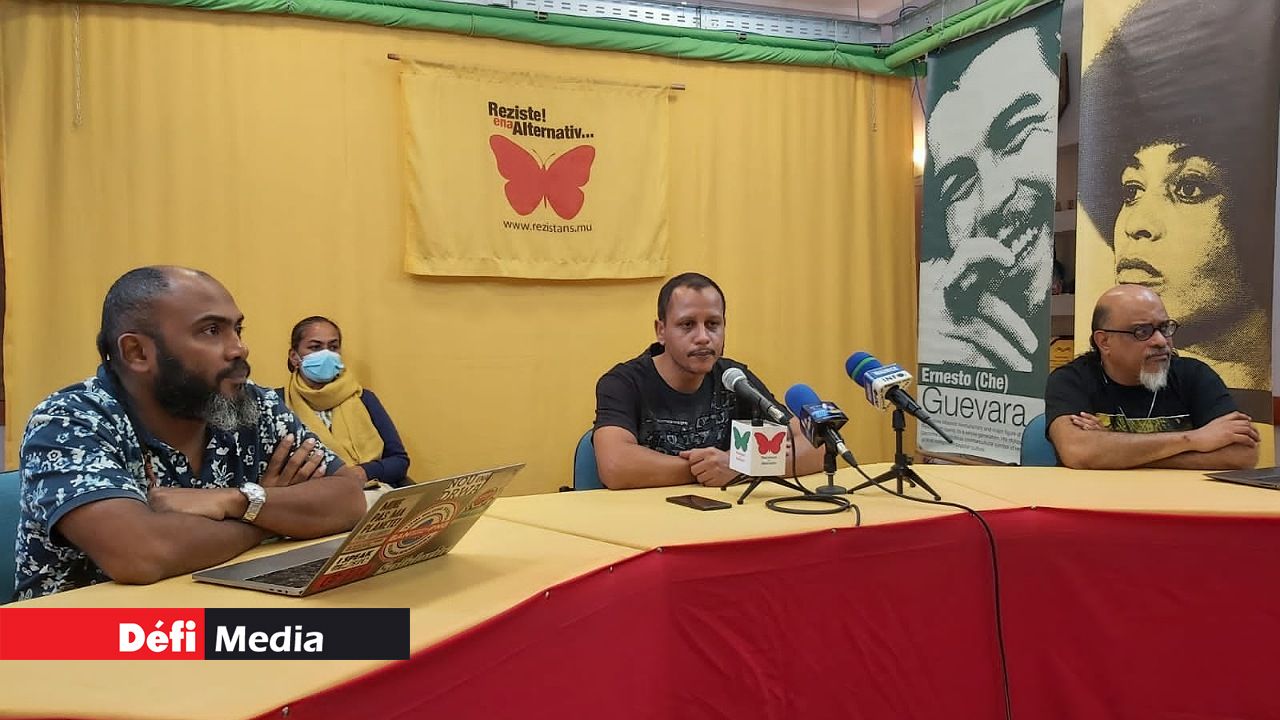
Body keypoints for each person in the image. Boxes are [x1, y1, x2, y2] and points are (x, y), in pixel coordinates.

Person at [13, 267, 367, 600]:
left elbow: (348, 498)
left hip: (216, 614)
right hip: (78, 634)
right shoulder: (70, 420)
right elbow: (140, 553)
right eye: (211, 330)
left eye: (237, 329)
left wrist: (237, 501)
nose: (239, 348)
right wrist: (269, 517)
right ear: (137, 352)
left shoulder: (249, 403)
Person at [1078, 0, 1277, 414]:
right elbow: (1075, 444)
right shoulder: (1080, 377)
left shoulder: (1198, 378)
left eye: (1188, 187)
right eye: (1132, 190)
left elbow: (1238, 443)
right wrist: (1194, 442)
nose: (1137, 225)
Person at [917, 15, 1059, 373]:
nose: (993, 198)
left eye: (1017, 133)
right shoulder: (951, 336)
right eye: (959, 185)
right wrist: (949, 364)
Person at [592, 272, 825, 489]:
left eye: (713, 324)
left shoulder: (734, 378)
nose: (703, 337)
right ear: (661, 330)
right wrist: (712, 468)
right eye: (687, 324)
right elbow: (615, 466)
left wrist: (739, 468)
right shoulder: (623, 383)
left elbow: (818, 446)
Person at [1043, 285, 1258, 471]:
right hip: (1097, 500)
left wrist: (1114, 453)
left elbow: (1243, 455)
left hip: (1180, 501)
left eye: (1164, 328)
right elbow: (1078, 451)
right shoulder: (1071, 380)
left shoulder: (1195, 376)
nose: (1161, 341)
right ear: (1104, 341)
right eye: (1142, 331)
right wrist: (1193, 439)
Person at [282, 316, 410, 488]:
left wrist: (363, 472)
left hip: (368, 490)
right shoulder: (277, 403)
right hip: (307, 496)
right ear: (294, 357)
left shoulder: (363, 398)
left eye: (333, 347)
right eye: (315, 347)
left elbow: (399, 461)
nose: (326, 354)